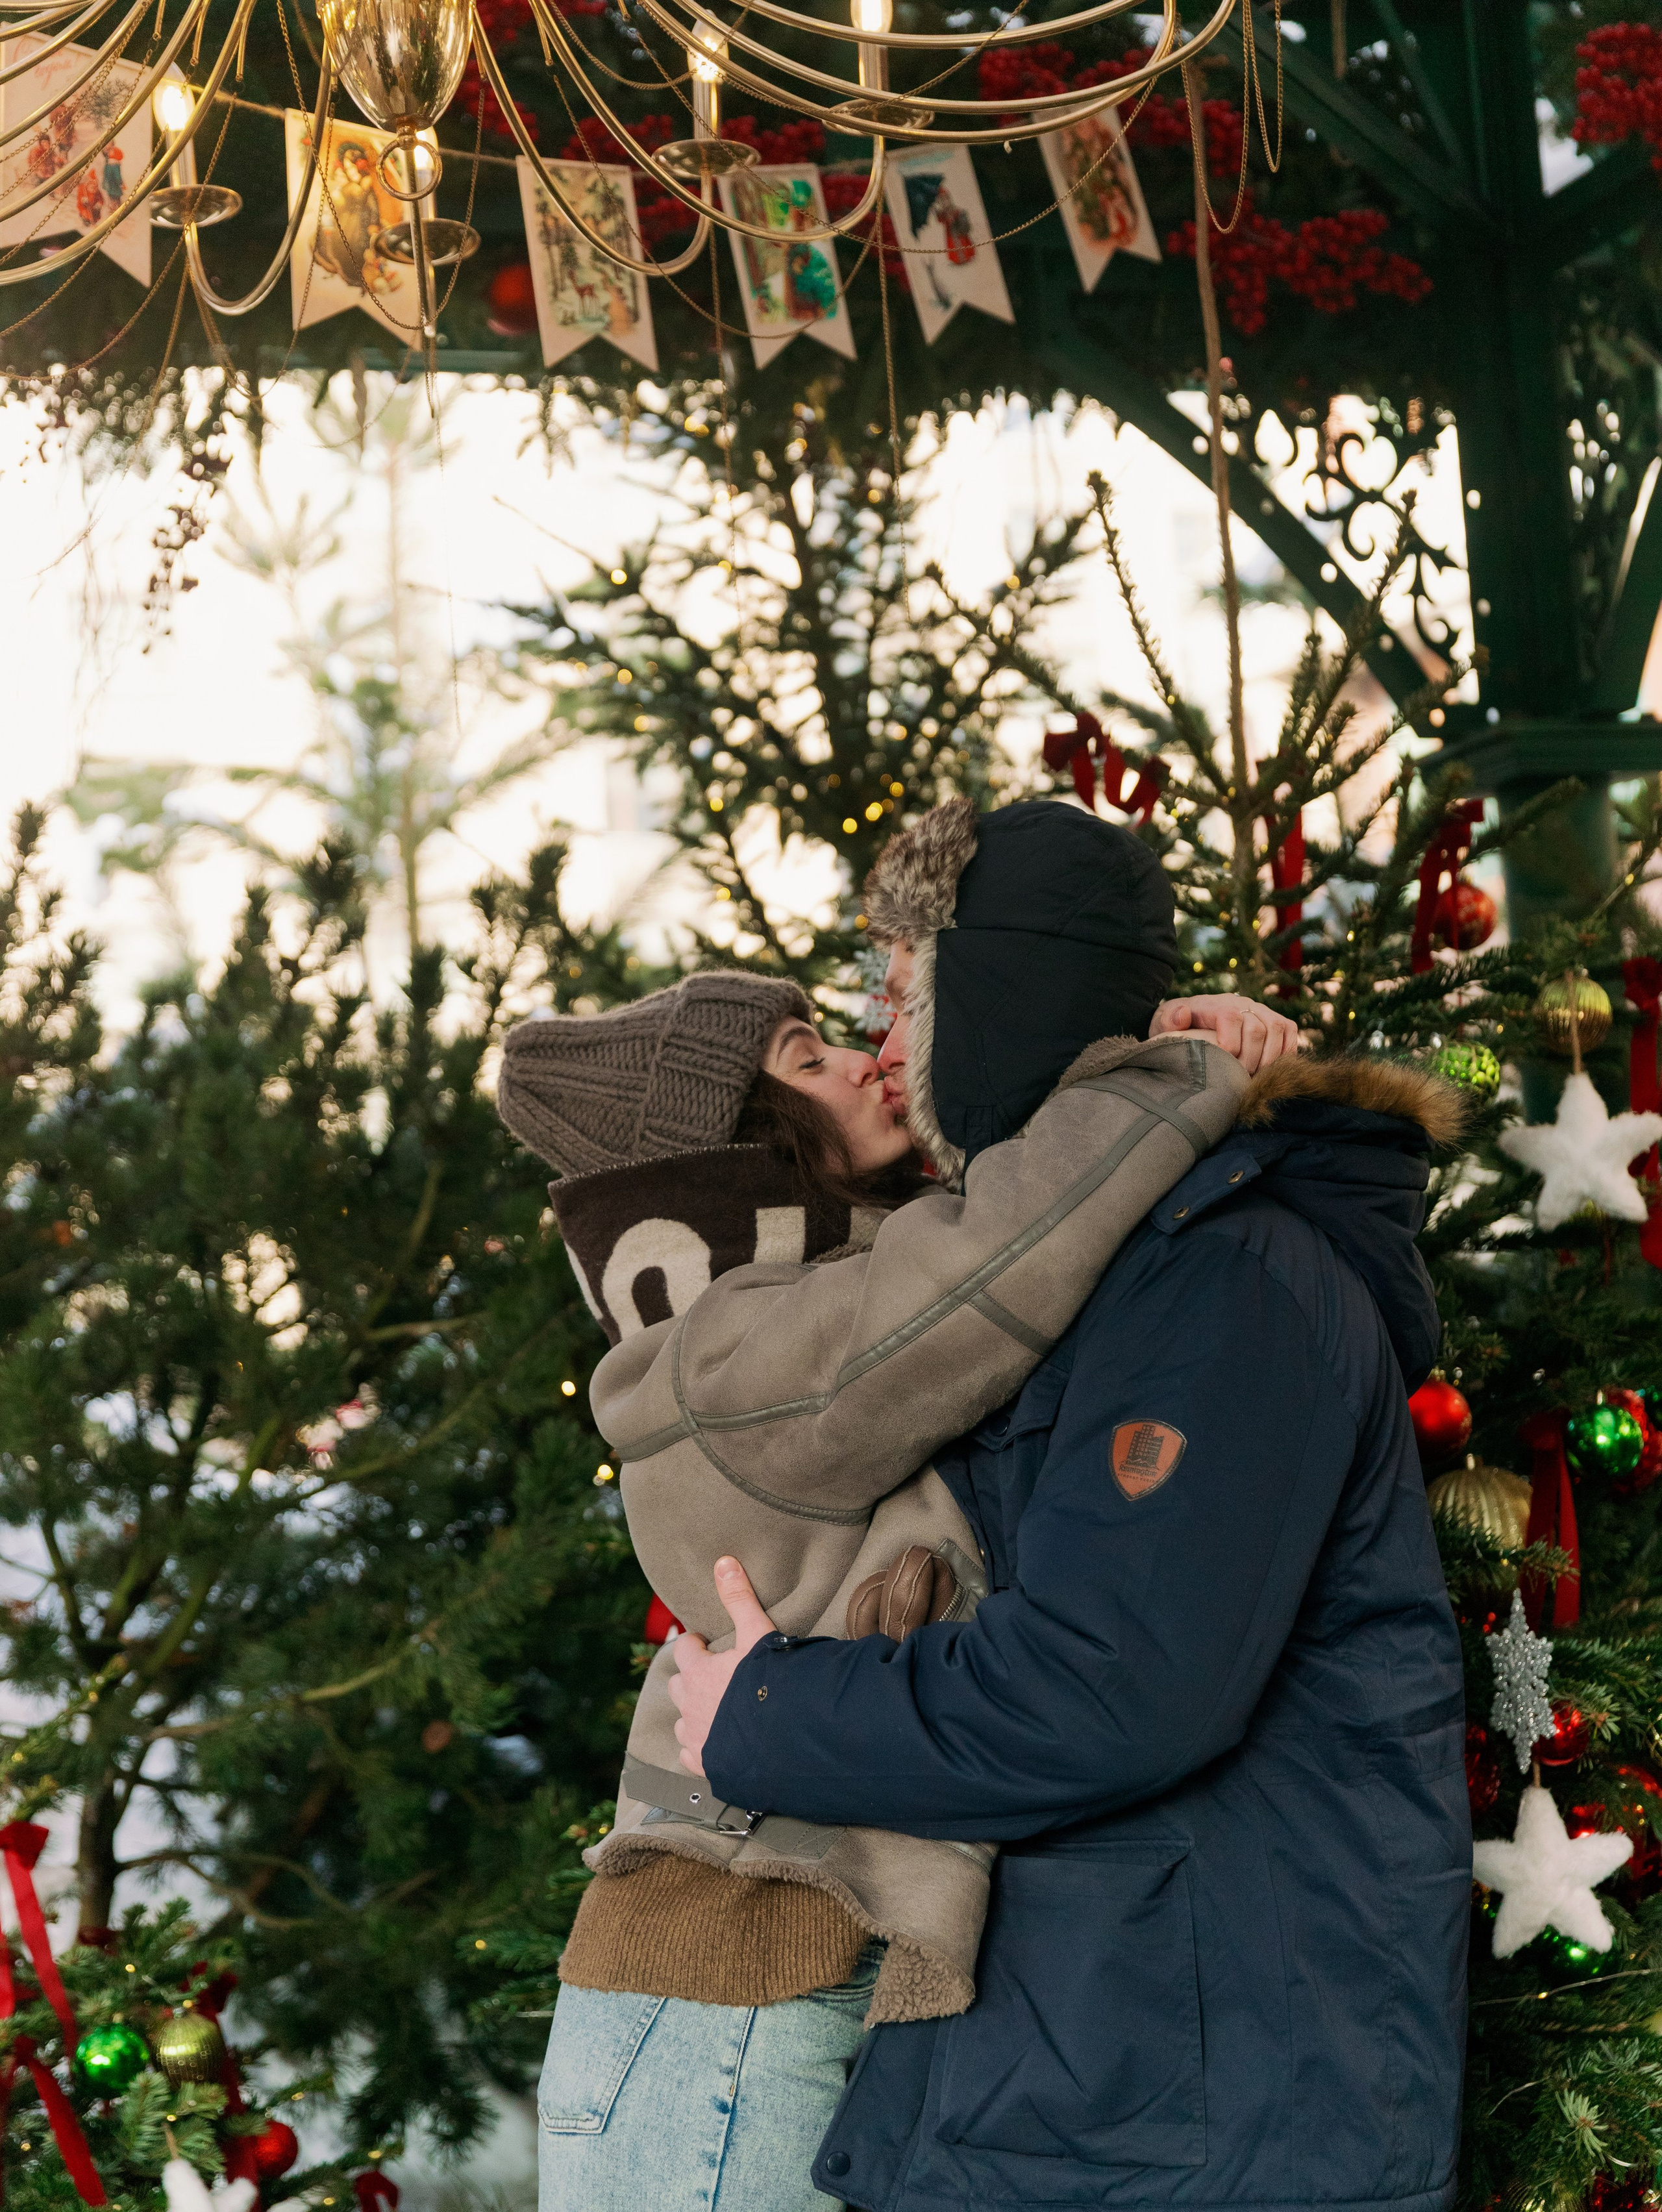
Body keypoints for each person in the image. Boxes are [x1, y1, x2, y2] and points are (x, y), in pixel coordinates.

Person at [670, 795, 1473, 2212]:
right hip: (1094, 2096)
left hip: (1189, 2122)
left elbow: (1111, 1684)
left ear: (991, 999)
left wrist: (770, 1716)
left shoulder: (1222, 1286)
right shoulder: (1093, 1270)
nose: (886, 1044)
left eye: (907, 997)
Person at [492, 811, 1300, 2212]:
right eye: (810, 1059)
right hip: (721, 2007)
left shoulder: (830, 1286)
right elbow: (993, 1258)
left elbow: (1010, 1208)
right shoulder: (717, 1356)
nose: (874, 1053)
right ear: (736, 1146)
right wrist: (1176, 1073)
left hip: (809, 1984)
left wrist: (1179, 1043)